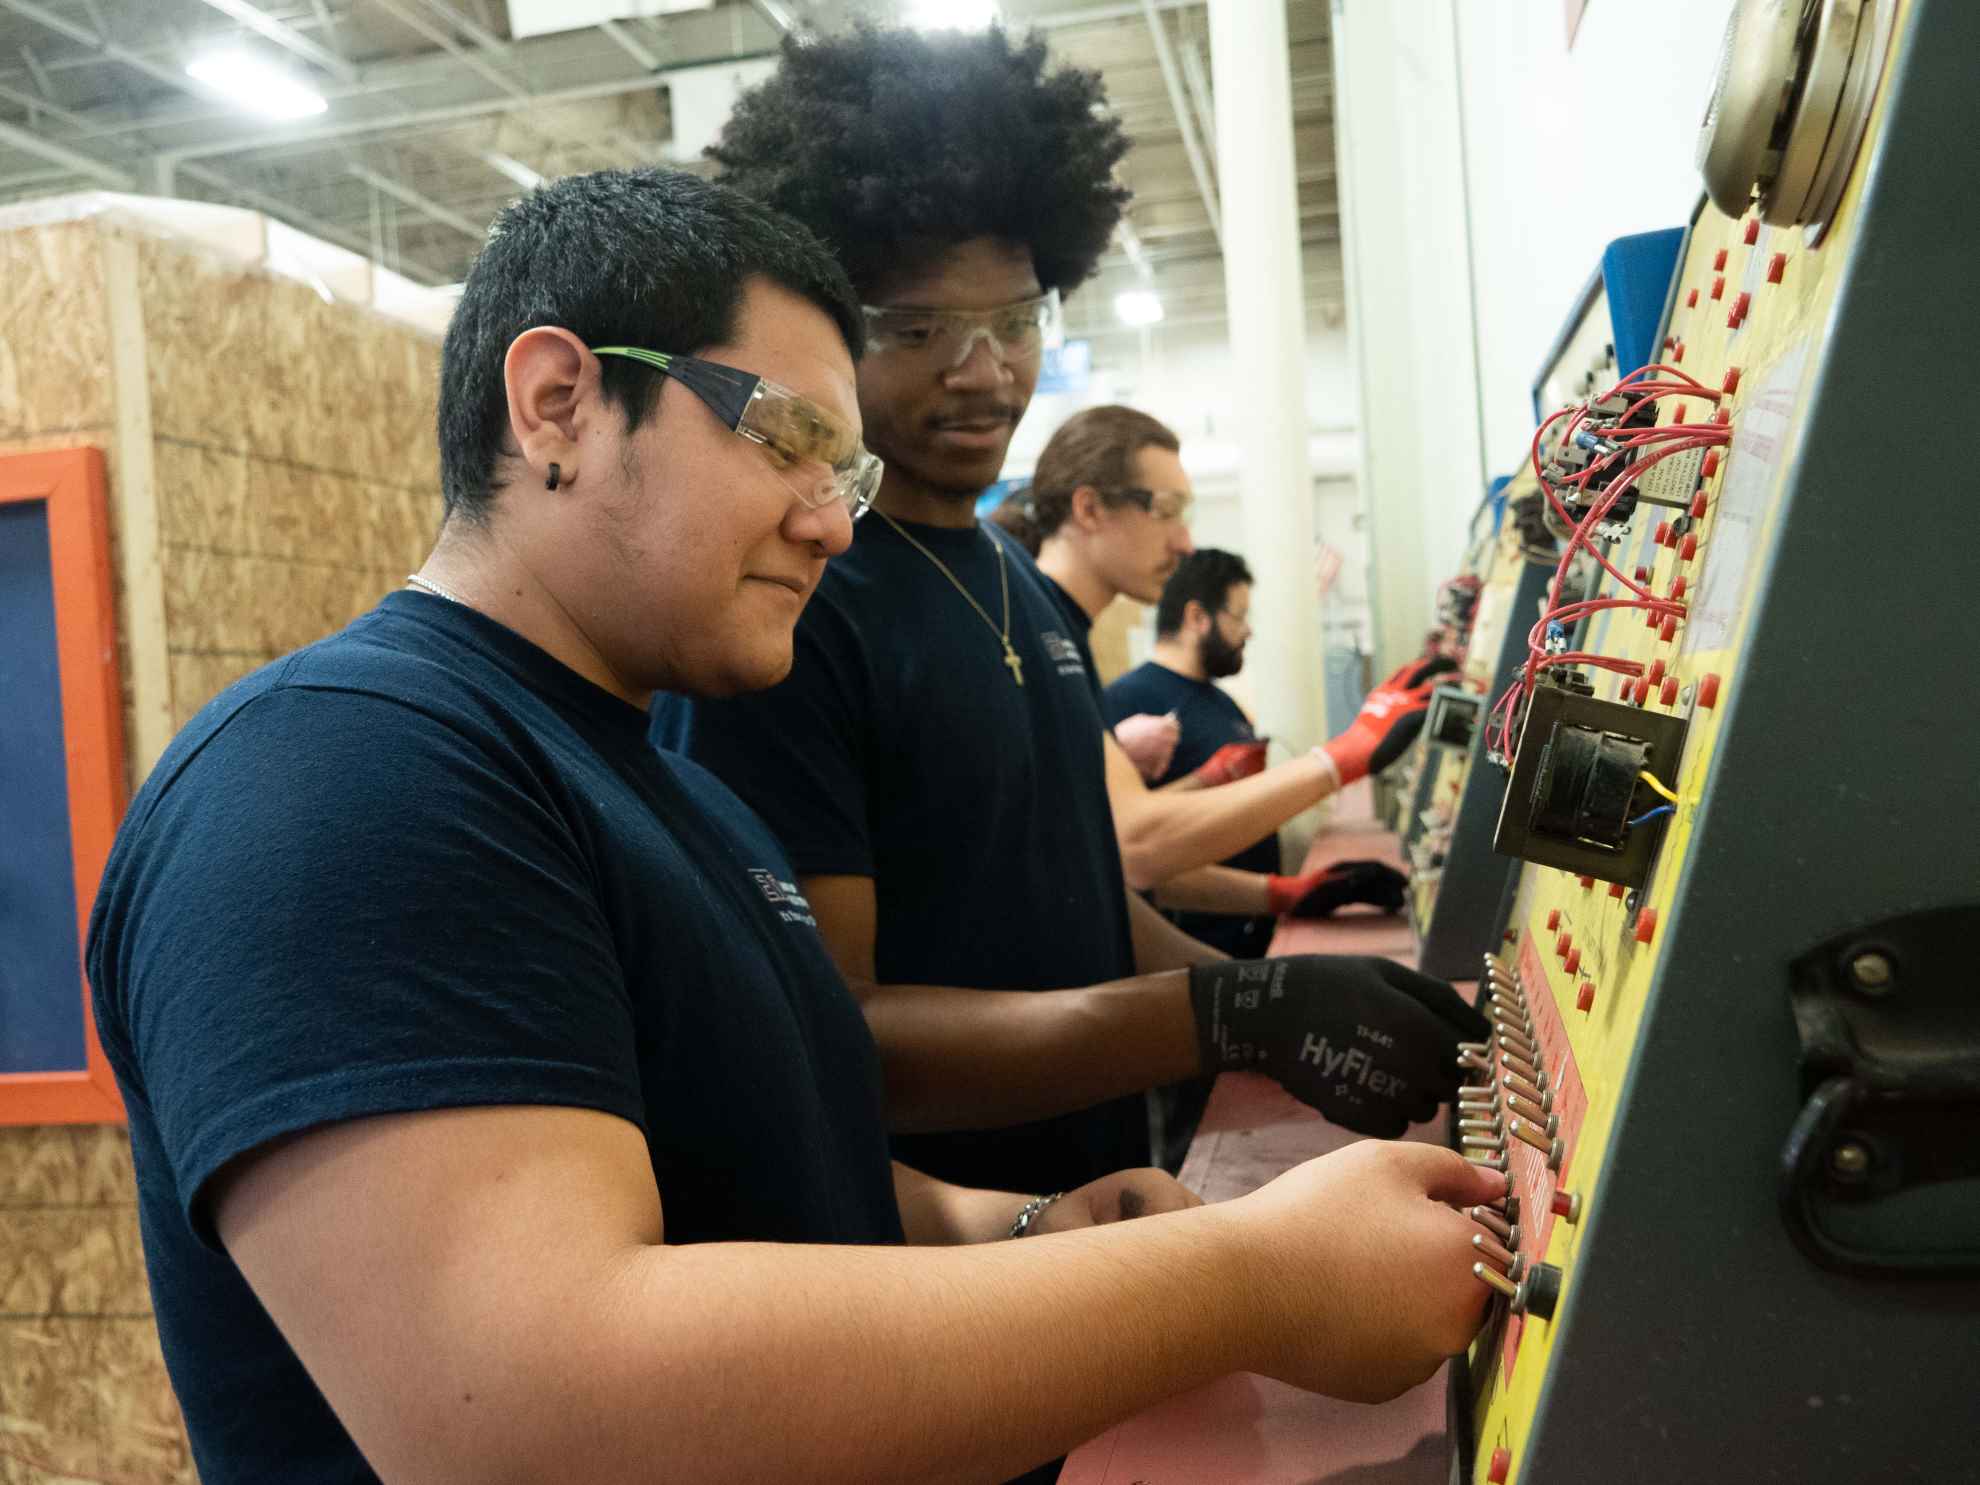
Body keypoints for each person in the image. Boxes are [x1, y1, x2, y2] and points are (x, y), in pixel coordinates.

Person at [84, 167, 1503, 1485]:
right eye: (789, 441)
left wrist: (1024, 1230)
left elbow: (776, 1169)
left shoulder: (683, 795)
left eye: (850, 472)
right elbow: (529, 1405)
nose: (832, 521)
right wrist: (1245, 1280)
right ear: (561, 401)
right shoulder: (337, 773)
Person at [653, 25, 1484, 1207]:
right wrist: (1223, 1011)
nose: (985, 371)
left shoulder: (1019, 587)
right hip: (943, 1272)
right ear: (829, 328)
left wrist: (1283, 1003)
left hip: (1096, 1199)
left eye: (1017, 322)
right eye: (920, 330)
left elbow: (1089, 915)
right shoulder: (796, 610)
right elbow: (837, 1032)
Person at [1104, 548, 1412, 958]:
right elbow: (1127, 844)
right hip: (1196, 944)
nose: (1248, 631)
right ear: (1198, 618)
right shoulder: (1126, 701)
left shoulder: (1219, 702)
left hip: (1254, 931)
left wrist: (1294, 892)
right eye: (1239, 616)